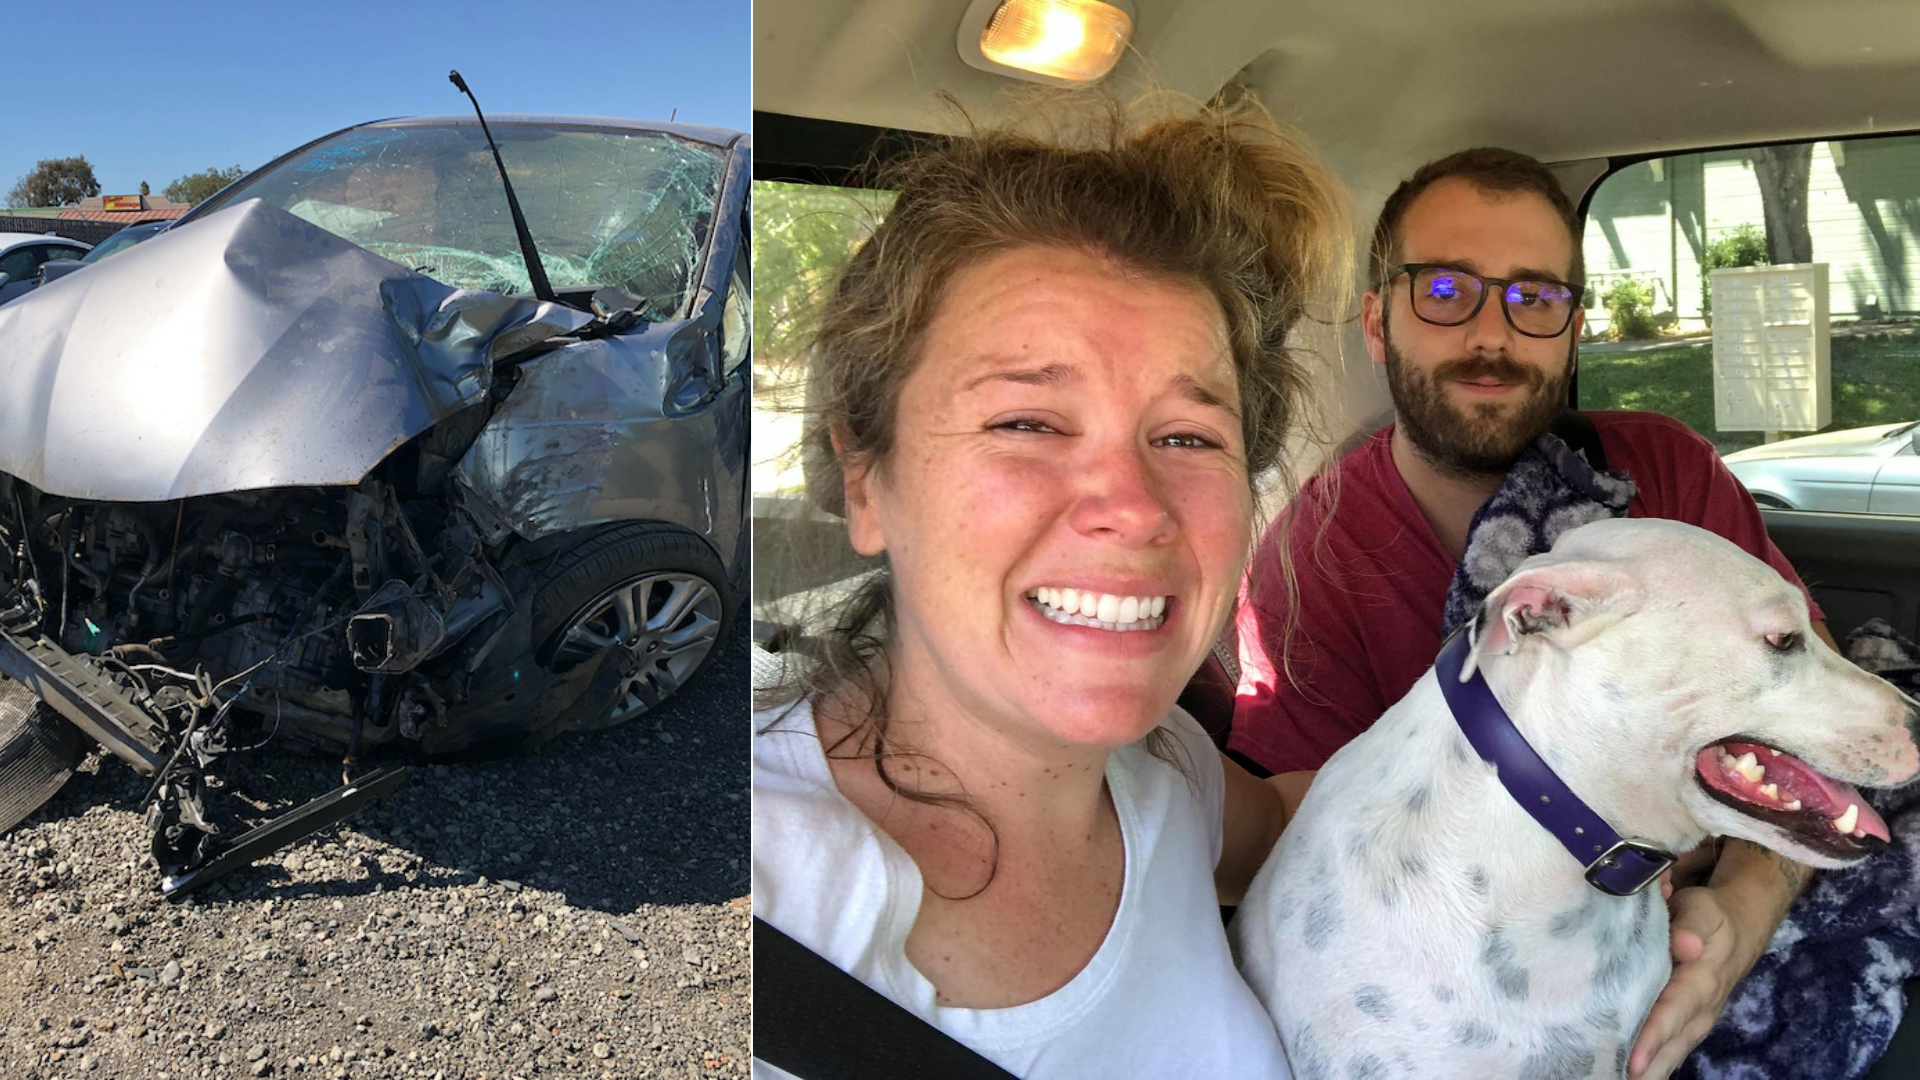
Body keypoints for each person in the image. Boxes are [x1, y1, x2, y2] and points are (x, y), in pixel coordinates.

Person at [751, 101, 1349, 1078]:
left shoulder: (1166, 777)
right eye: (1027, 422)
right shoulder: (746, 901)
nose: (1133, 505)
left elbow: (1294, 824)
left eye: (1190, 438)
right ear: (866, 481)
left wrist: (1659, 840)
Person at [1230, 147, 1826, 1080]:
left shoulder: (1663, 476)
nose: (1492, 335)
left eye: (1535, 299)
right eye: (1445, 290)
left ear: (1572, 329)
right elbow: (1307, 842)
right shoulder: (1315, 558)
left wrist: (1747, 909)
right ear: (1378, 323)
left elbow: (1805, 704)